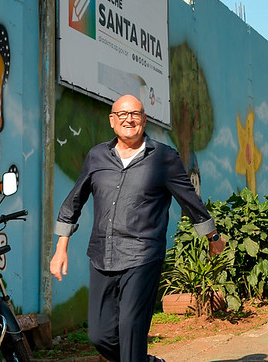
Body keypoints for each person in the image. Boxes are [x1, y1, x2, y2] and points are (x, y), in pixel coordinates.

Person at [50, 94, 225, 362]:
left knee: (131, 330)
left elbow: (189, 199)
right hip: (101, 255)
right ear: (112, 121)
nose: (128, 119)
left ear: (144, 119)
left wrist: (212, 236)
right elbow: (75, 199)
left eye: (135, 114)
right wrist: (61, 248)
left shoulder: (164, 158)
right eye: (122, 114)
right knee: (100, 336)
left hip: (142, 256)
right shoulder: (97, 156)